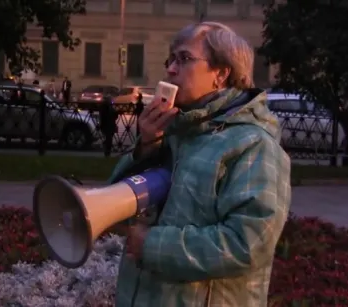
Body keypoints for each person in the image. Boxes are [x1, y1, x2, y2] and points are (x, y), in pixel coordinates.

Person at [107, 21, 291, 306]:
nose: (170, 69)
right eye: (171, 59)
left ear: (221, 74)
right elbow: (116, 208)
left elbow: (248, 243)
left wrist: (152, 245)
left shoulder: (253, 144)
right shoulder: (176, 132)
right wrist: (147, 146)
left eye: (184, 59)